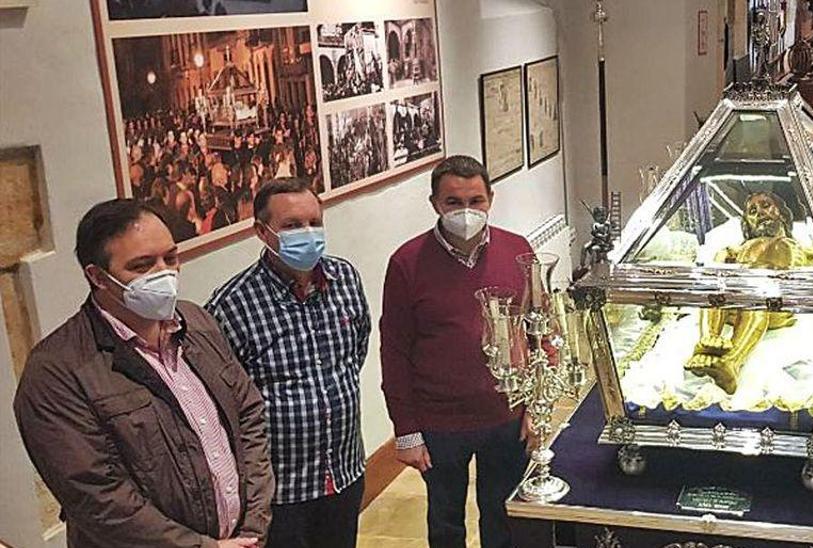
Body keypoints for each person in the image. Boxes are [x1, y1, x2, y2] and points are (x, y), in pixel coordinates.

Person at [13, 199, 273, 548]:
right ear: (96, 276)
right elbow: (98, 497)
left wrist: (254, 524)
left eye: (170, 258)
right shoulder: (57, 373)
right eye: (141, 265)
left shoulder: (197, 322)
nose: (163, 274)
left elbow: (248, 413)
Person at [207, 179, 372, 548]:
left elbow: (355, 353)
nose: (308, 234)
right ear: (262, 232)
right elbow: (224, 405)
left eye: (314, 222)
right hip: (280, 492)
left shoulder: (345, 279)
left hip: (343, 472)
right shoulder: (231, 306)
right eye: (293, 226)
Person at [380, 155, 534, 548]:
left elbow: (538, 331)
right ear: (434, 203)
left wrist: (535, 407)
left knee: (504, 516)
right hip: (439, 423)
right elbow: (394, 351)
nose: (466, 212)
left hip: (505, 414)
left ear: (490, 200)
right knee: (446, 522)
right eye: (453, 202)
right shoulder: (406, 262)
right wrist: (406, 430)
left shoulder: (518, 252)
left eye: (475, 201)